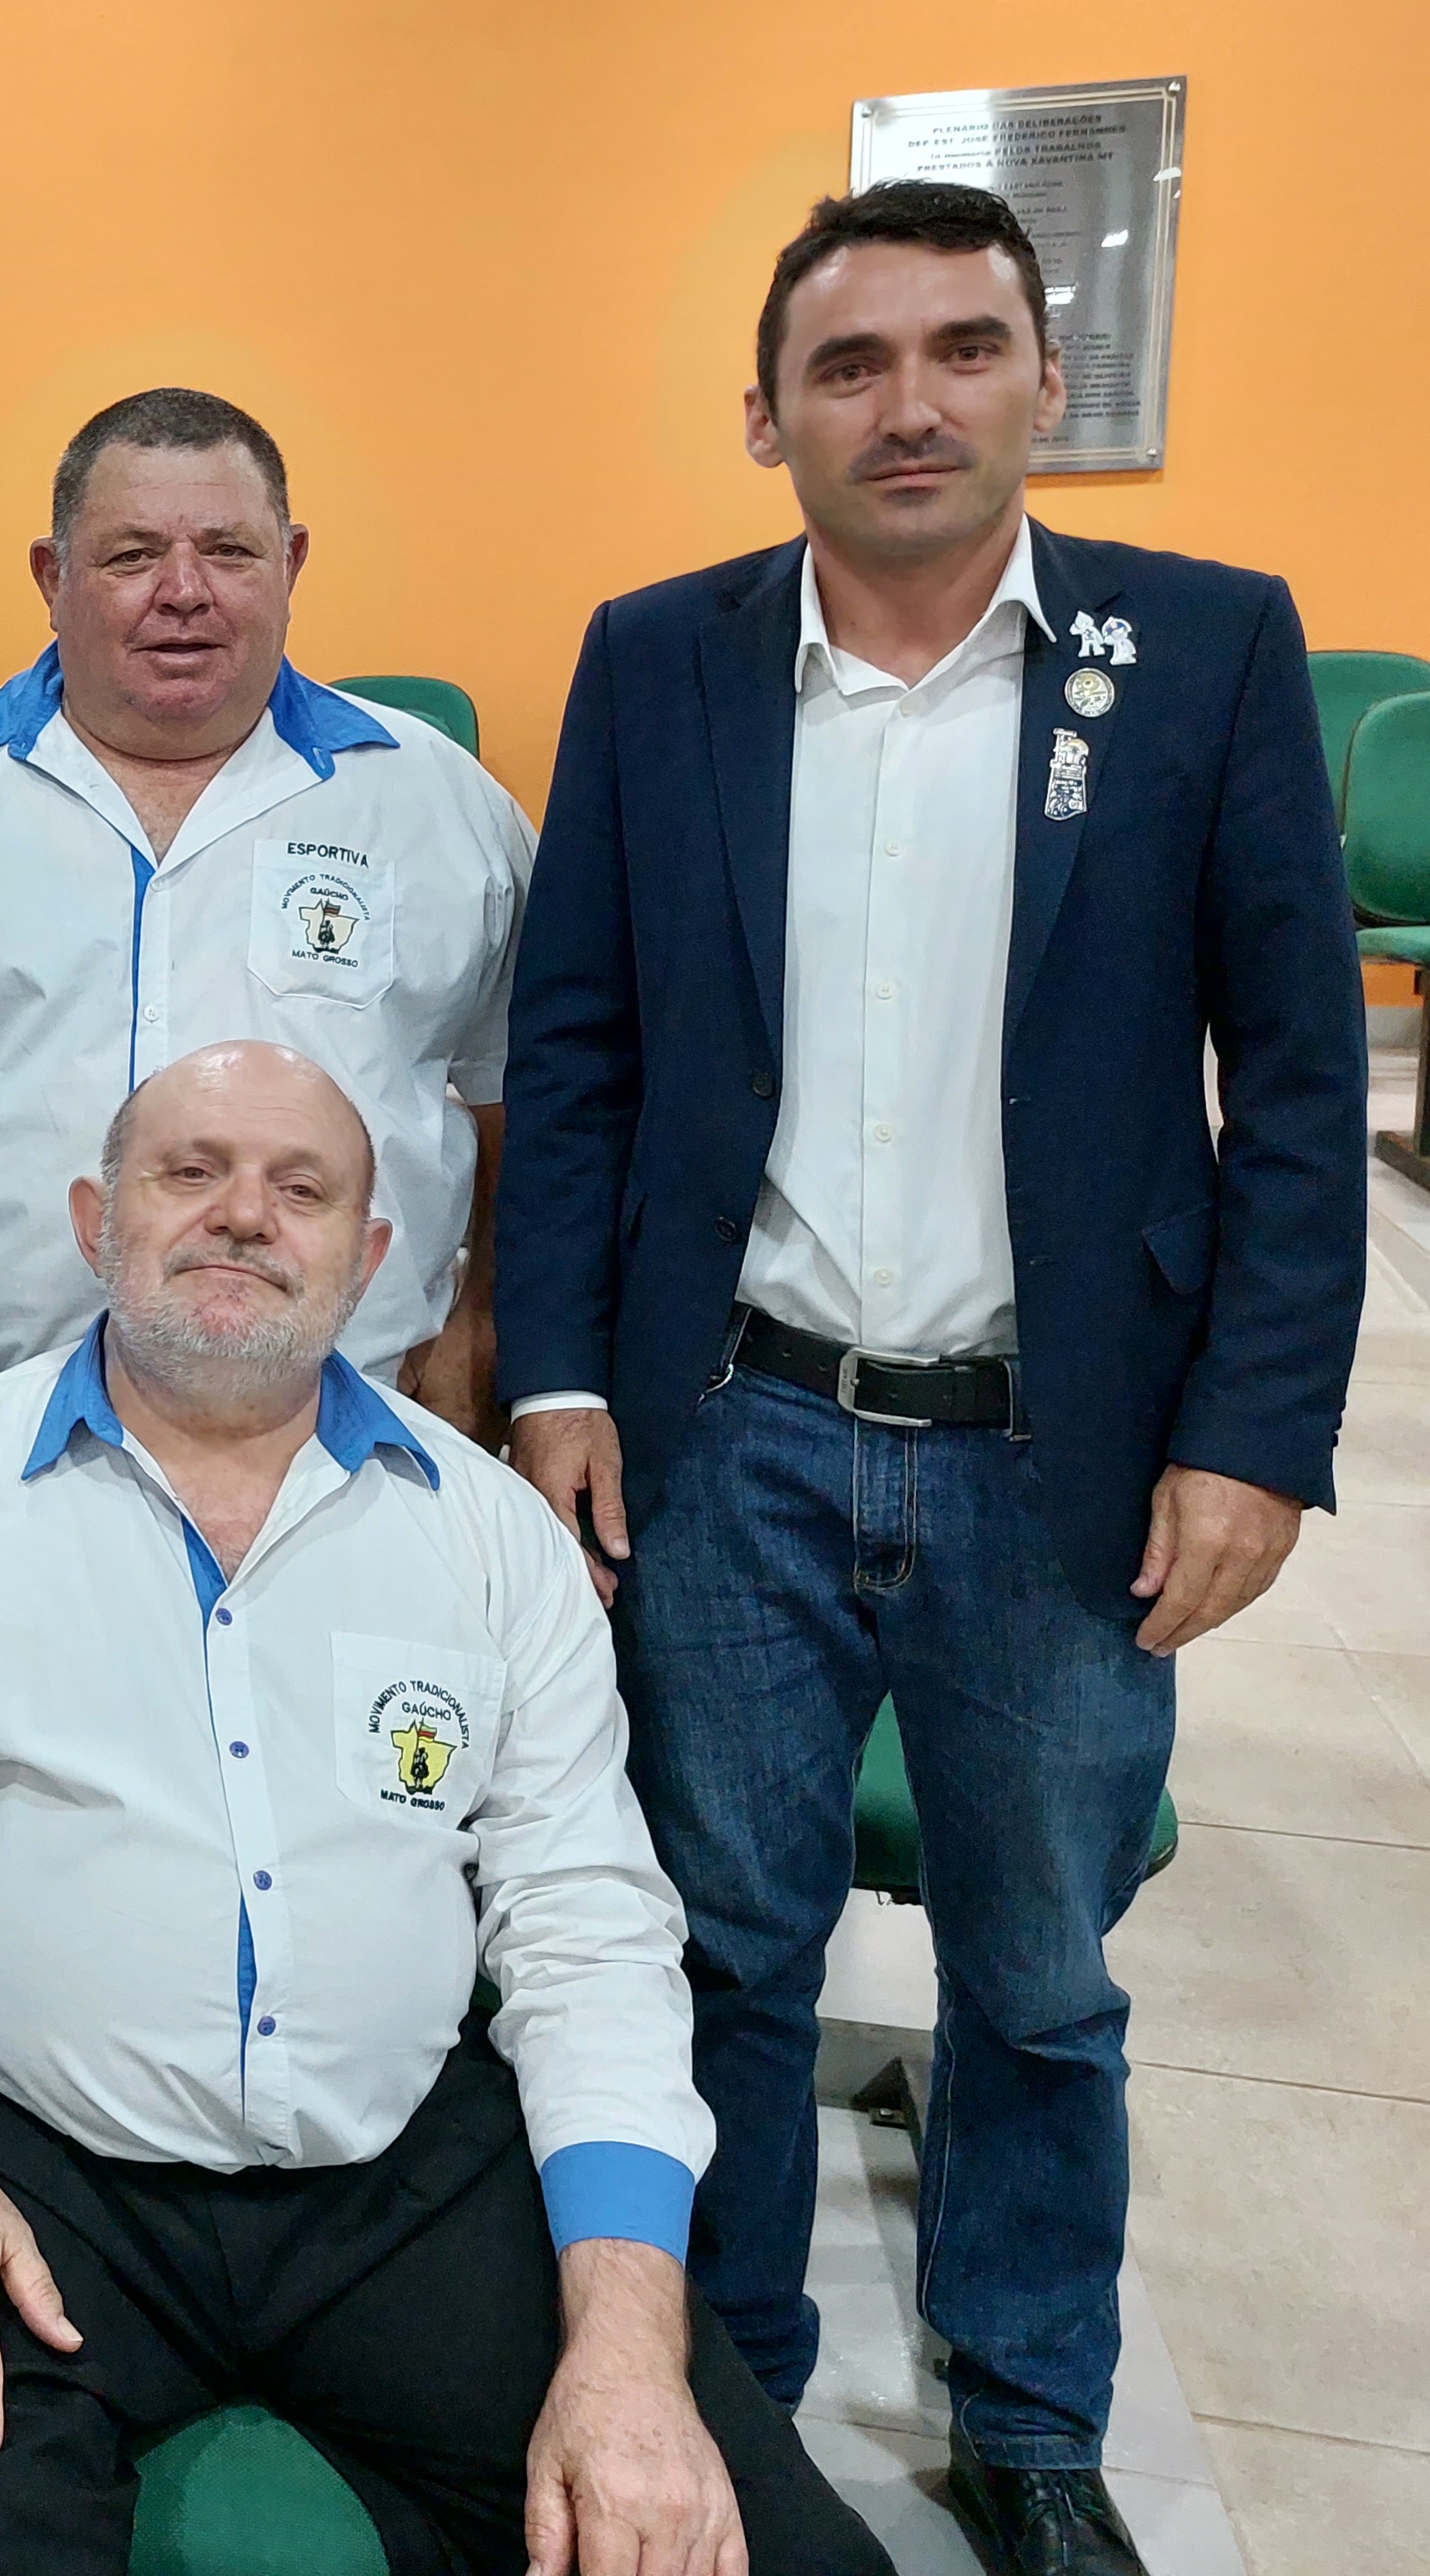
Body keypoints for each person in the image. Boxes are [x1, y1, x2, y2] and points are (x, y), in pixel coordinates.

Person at [500, 181, 1367, 2576]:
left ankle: (1029, 2410)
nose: (909, 402)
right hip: (733, 1429)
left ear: (1042, 384)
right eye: (850, 361)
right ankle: (731, 2385)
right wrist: (558, 1373)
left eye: (961, 349)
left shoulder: (1199, 651)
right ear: (764, 411)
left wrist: (1250, 1434)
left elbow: (1300, 1085)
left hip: (1054, 1455)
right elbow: (575, 1054)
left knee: (1043, 1980)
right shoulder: (657, 660)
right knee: (722, 1946)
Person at [0, 1041, 887, 2576]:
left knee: (773, 2555)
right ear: (94, 1221)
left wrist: (624, 2338)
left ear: (371, 1256)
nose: (244, 1214)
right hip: (11, 2158)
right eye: (188, 1171)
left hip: (398, 2177)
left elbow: (588, 1935)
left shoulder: (487, 1536)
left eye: (301, 1188)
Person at [0, 387, 530, 1454]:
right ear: (51, 577)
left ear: (291, 564)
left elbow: (525, 1090)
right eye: (132, 555)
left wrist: (485, 1325)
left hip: (349, 1430)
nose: (183, 593)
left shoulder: (440, 805)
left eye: (229, 552)